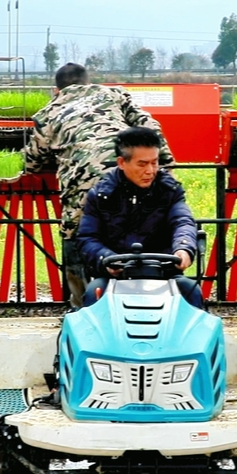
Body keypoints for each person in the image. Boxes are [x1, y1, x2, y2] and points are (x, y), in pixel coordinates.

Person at [24, 62, 174, 307]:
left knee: (75, 235)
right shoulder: (113, 93)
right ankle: (148, 302)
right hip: (131, 171)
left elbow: (32, 161)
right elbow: (149, 126)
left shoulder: (48, 112)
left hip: (83, 184)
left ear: (56, 90)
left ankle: (81, 307)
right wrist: (163, 165)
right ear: (88, 81)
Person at [77, 126, 203, 309]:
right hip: (116, 276)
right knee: (94, 293)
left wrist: (183, 248)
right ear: (121, 162)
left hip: (163, 273)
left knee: (190, 290)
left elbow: (182, 221)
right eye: (142, 164)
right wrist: (107, 259)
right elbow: (87, 238)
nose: (150, 171)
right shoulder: (101, 195)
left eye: (155, 162)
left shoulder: (169, 191)